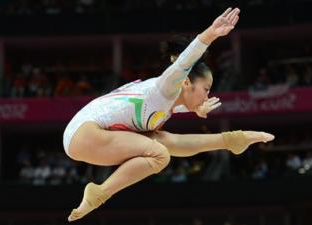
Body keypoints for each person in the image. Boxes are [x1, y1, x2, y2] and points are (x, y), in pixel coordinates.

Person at [64, 7, 274, 222]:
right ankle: (98, 194)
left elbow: (176, 118)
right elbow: (183, 63)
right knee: (159, 154)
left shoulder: (166, 103)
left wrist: (193, 108)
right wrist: (210, 34)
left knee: (165, 141)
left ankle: (232, 140)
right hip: (84, 134)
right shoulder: (164, 88)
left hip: (86, 135)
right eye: (206, 89)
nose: (208, 95)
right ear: (185, 82)